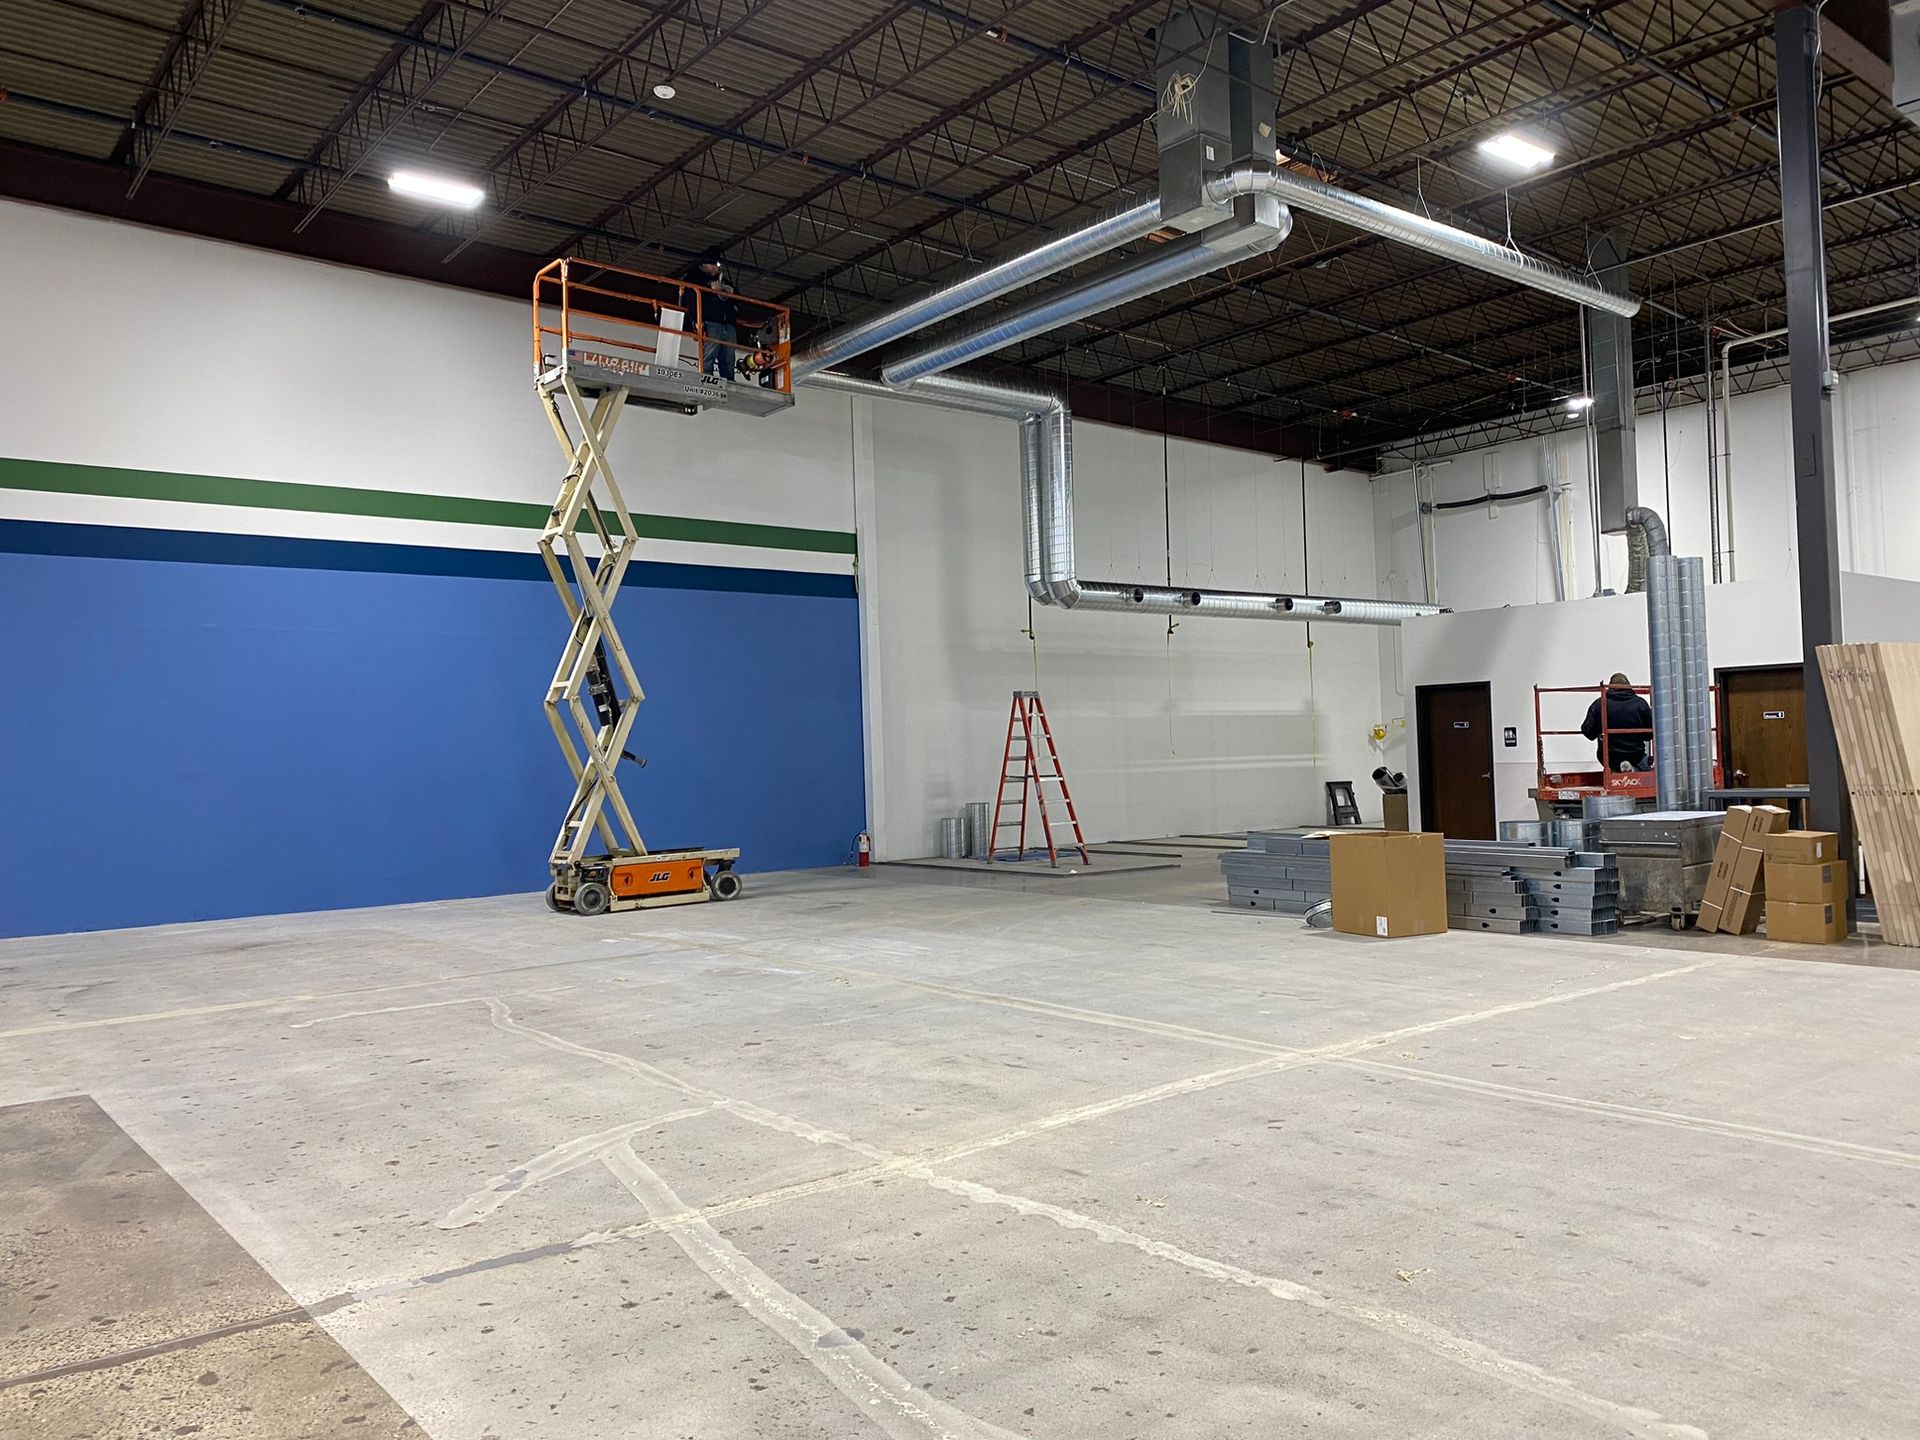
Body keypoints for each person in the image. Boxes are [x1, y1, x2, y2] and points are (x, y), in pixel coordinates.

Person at [681, 250, 738, 381]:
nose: (716, 268)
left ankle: (729, 382)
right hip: (710, 321)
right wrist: (696, 320)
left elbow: (738, 297)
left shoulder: (723, 280)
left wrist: (730, 291)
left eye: (717, 266)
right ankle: (706, 379)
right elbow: (689, 298)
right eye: (713, 265)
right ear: (703, 265)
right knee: (710, 352)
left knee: (729, 356)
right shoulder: (694, 278)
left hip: (728, 323)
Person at [1582, 672, 1654, 771]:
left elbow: (1588, 732)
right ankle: (1632, 770)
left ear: (1610, 687)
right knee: (1646, 770)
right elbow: (1650, 734)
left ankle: (1620, 770)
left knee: (1613, 764)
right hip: (1636, 754)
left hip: (1609, 757)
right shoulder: (1640, 704)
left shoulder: (1600, 704)